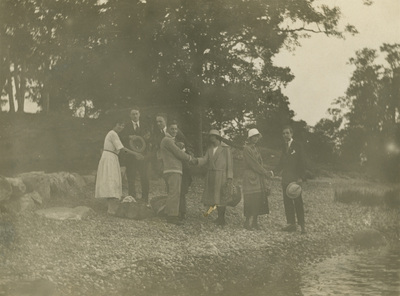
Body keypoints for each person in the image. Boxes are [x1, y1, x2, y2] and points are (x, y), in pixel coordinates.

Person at [95, 119, 144, 214]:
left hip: (112, 157)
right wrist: (135, 154)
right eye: (119, 125)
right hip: (109, 158)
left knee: (113, 181)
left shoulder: (114, 134)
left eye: (122, 125)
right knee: (111, 180)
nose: (121, 127)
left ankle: (111, 207)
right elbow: (122, 149)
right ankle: (111, 209)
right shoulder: (112, 133)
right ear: (114, 124)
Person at [272, 126, 307, 234]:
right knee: (287, 202)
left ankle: (302, 226)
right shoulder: (284, 147)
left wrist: (301, 177)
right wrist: (273, 172)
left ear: (292, 134)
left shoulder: (297, 146)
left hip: (295, 179)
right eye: (283, 133)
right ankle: (291, 224)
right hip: (285, 179)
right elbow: (281, 163)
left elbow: (302, 162)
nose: (285, 135)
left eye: (287, 133)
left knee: (298, 202)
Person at [160, 121, 196, 225]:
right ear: (167, 130)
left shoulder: (169, 140)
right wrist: (190, 158)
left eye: (176, 129)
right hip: (173, 169)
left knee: (173, 192)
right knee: (174, 193)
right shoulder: (167, 140)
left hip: (172, 169)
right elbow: (179, 153)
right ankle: (172, 216)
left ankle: (169, 212)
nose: (174, 131)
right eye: (172, 129)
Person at [197, 130, 233, 226]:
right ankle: (218, 218)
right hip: (211, 175)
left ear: (217, 137)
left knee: (221, 197)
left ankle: (222, 218)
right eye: (210, 136)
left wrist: (229, 177)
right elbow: (205, 160)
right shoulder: (210, 149)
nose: (210, 138)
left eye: (212, 136)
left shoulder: (225, 149)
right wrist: (196, 161)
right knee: (214, 197)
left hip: (221, 175)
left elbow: (229, 164)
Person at [120, 106, 151, 204]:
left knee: (144, 178)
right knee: (131, 179)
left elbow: (150, 139)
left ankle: (145, 199)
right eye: (133, 114)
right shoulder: (126, 126)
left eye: (136, 114)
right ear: (130, 115)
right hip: (131, 158)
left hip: (142, 157)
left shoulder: (145, 125)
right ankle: (132, 198)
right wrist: (129, 136)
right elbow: (120, 138)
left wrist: (147, 139)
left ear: (139, 114)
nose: (135, 116)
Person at [242, 128, 271, 230]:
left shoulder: (256, 148)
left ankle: (255, 221)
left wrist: (264, 174)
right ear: (250, 138)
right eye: (253, 137)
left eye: (257, 136)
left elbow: (260, 162)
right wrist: (265, 172)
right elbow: (253, 164)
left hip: (258, 176)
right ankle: (247, 222)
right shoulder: (246, 149)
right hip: (250, 175)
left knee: (258, 197)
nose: (256, 138)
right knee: (250, 198)